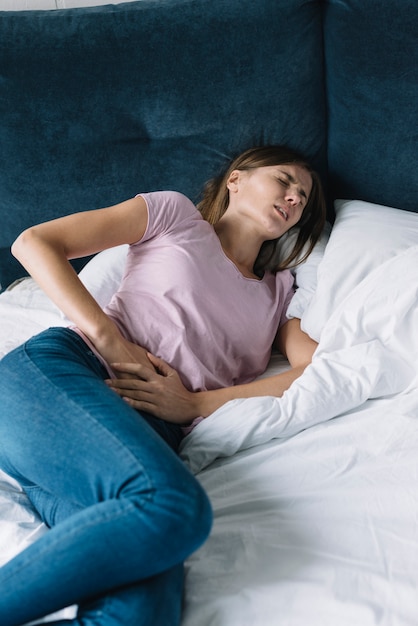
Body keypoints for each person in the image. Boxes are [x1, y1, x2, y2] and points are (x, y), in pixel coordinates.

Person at [0, 145, 326, 626]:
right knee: (174, 509)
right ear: (236, 179)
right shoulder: (175, 216)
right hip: (65, 378)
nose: (295, 197)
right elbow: (33, 242)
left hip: (131, 447)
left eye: (304, 196)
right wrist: (110, 340)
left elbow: (313, 373)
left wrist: (196, 402)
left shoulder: (279, 294)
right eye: (284, 180)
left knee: (141, 614)